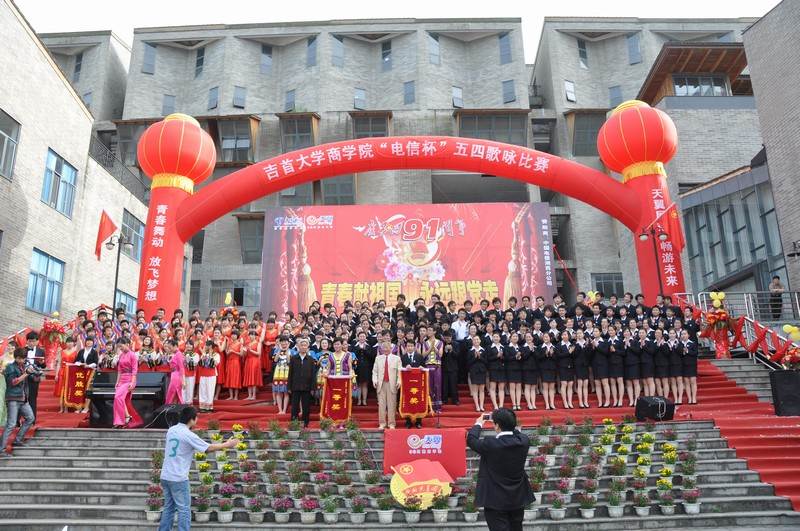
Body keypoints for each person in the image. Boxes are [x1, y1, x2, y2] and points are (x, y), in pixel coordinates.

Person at [158, 406, 238, 531]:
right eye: (196, 418)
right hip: (178, 477)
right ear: (191, 419)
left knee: (169, 507)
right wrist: (228, 444)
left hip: (166, 475)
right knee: (184, 509)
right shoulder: (188, 434)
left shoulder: (171, 430)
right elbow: (208, 448)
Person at [466, 408, 534, 531]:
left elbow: (471, 440)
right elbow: (516, 432)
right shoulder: (523, 441)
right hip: (517, 497)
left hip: (495, 499)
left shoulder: (491, 444)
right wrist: (507, 421)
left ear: (497, 426)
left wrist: (479, 423)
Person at [1, 349, 37, 457]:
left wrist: (35, 373)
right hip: (13, 398)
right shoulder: (10, 367)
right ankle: (1, 449)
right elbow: (13, 382)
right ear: (15, 357)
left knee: (30, 418)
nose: (21, 360)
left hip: (23, 398)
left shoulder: (23, 366)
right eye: (19, 358)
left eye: (23, 358)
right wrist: (26, 374)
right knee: (11, 424)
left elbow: (33, 378)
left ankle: (17, 440)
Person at [372, 334, 402, 430]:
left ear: (391, 348)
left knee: (392, 405)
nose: (385, 349)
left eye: (387, 347)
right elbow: (374, 371)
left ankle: (391, 423)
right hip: (381, 384)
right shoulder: (378, 358)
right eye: (383, 347)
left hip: (392, 384)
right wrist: (374, 380)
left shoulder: (396, 358)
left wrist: (399, 381)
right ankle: (382, 423)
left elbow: (399, 372)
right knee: (381, 405)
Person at [113, 338, 142, 428]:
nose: (120, 348)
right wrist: (117, 382)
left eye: (121, 346)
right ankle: (122, 420)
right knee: (120, 399)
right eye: (119, 347)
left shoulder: (132, 355)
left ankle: (124, 418)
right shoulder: (121, 355)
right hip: (122, 380)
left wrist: (132, 382)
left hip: (130, 379)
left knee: (118, 397)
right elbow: (119, 370)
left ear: (127, 344)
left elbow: (134, 370)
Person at [288, 338, 316, 428]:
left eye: (305, 345)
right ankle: (294, 423)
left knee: (306, 406)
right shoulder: (293, 358)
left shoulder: (311, 359)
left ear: (307, 347)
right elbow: (290, 373)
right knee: (295, 406)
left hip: (307, 386)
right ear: (298, 347)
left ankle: (305, 423)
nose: (303, 347)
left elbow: (313, 374)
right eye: (302, 345)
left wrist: (313, 388)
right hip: (295, 386)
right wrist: (289, 387)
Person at [23, 332, 45, 421]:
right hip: (23, 377)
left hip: (34, 377)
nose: (31, 343)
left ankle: (32, 419)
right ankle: (18, 420)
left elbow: (44, 366)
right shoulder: (23, 350)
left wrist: (42, 363)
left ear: (37, 341)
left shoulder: (41, 351)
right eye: (29, 341)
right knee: (21, 398)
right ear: (27, 341)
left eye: (33, 341)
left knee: (32, 398)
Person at [164, 339, 185, 405]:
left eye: (170, 347)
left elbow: (181, 368)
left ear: (175, 346)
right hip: (174, 374)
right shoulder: (176, 354)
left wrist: (183, 381)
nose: (169, 349)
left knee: (172, 392)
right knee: (175, 393)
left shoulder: (178, 354)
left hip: (177, 376)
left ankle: (168, 406)